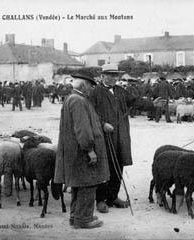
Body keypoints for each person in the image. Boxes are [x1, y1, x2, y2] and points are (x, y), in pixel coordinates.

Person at [54, 73, 109, 229]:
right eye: (91, 86)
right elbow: (83, 130)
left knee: (78, 184)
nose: (92, 89)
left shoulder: (72, 98)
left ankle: (75, 216)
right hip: (82, 152)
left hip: (74, 151)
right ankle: (84, 219)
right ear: (84, 85)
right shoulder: (78, 101)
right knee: (88, 183)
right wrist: (90, 150)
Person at [89, 63, 136, 213]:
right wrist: (102, 124)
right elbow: (90, 113)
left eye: (115, 75)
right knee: (104, 166)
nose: (113, 78)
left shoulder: (121, 91)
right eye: (110, 75)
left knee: (118, 165)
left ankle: (113, 197)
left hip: (120, 135)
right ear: (102, 76)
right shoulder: (95, 92)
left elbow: (135, 101)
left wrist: (153, 104)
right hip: (104, 136)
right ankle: (101, 199)